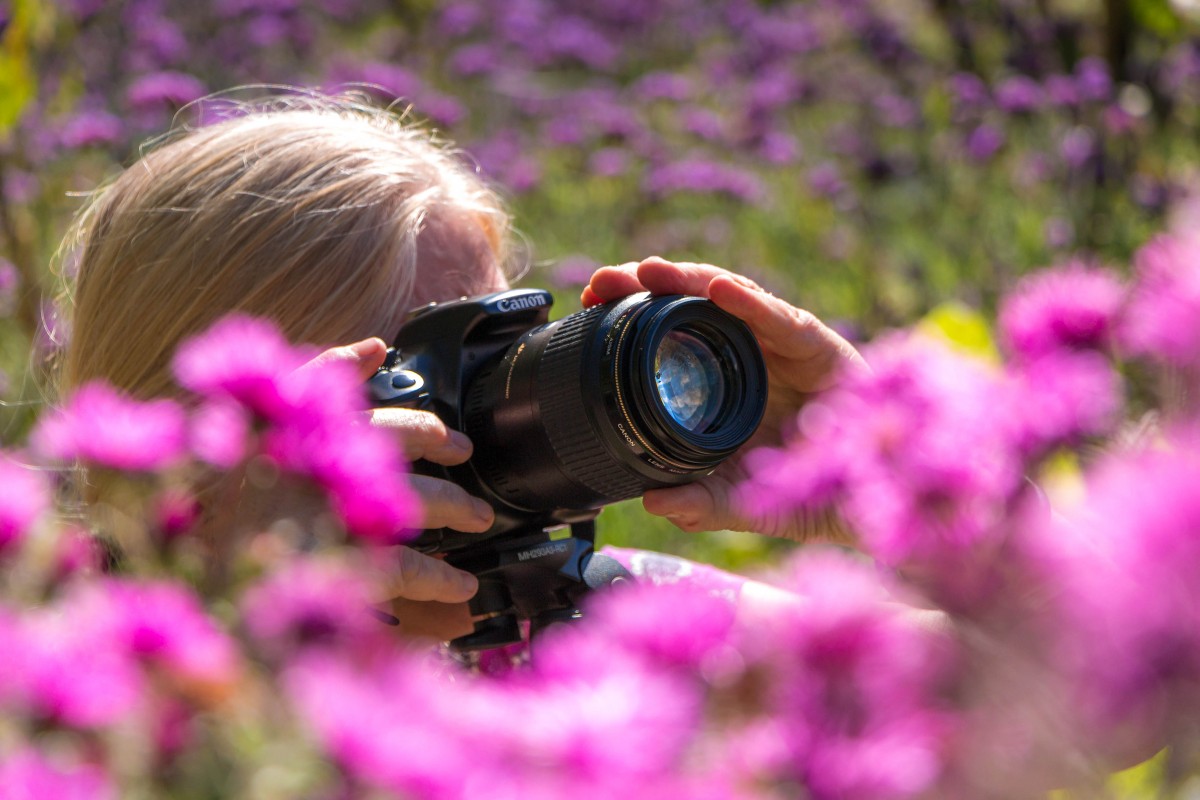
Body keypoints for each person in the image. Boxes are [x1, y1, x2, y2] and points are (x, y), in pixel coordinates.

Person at [58, 92, 864, 641]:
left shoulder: (617, 627)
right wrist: (246, 617)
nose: (496, 414)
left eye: (498, 356)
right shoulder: (75, 690)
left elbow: (975, 722)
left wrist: (869, 469)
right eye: (412, 380)